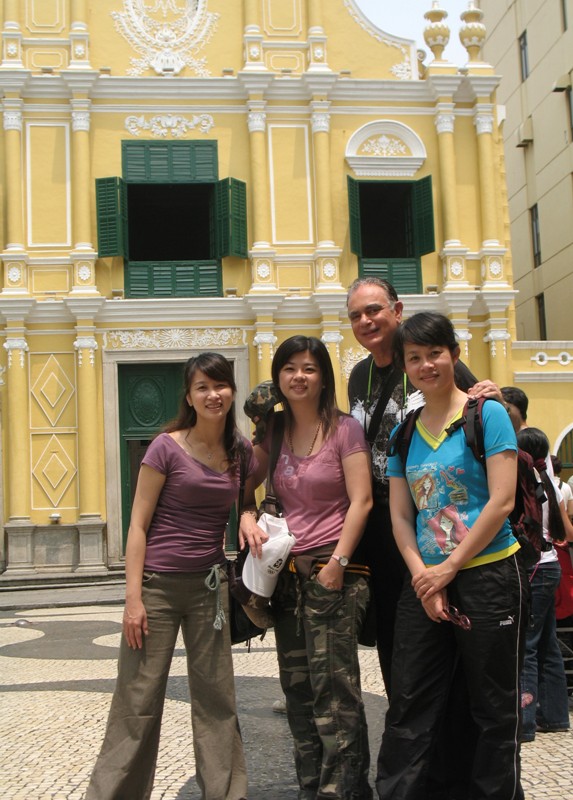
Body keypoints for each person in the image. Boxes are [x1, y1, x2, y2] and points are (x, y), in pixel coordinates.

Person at [86, 352, 258, 800]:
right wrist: (132, 599)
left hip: (209, 589)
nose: (212, 394)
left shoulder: (240, 451)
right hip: (157, 589)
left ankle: (226, 793)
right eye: (202, 386)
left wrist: (248, 514)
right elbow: (138, 525)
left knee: (217, 700)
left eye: (220, 385)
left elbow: (251, 501)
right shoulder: (165, 447)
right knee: (137, 702)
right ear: (189, 395)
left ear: (232, 391)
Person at [376, 311, 526, 800]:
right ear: (404, 366)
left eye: (434, 353)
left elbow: (502, 499)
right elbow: (401, 515)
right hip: (425, 582)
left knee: (492, 708)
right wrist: (425, 577)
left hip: (486, 577)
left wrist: (449, 567)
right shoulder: (404, 431)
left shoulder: (487, 415)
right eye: (414, 358)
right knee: (409, 704)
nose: (426, 365)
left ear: (454, 355)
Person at [346, 277, 497, 698]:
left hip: (438, 515)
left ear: (397, 310)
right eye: (356, 315)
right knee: (395, 624)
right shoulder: (359, 376)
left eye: (374, 310)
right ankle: (404, 709)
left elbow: (481, 409)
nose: (366, 321)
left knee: (441, 615)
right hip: (384, 518)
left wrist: (495, 395)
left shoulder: (427, 358)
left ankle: (452, 722)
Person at [241, 335, 374, 800]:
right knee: (297, 692)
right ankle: (310, 788)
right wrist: (244, 512)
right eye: (290, 368)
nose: (300, 376)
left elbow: (362, 500)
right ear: (278, 377)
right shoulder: (272, 432)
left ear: (324, 378)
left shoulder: (344, 429)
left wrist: (337, 563)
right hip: (287, 581)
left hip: (334, 575)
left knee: (335, 694)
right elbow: (242, 479)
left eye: (310, 368)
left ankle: (347, 792)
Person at [516, 428, 573, 742]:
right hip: (551, 565)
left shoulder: (529, 483)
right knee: (548, 645)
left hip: (536, 568)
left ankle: (524, 722)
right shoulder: (550, 483)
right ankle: (554, 716)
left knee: (527, 646)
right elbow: (566, 531)